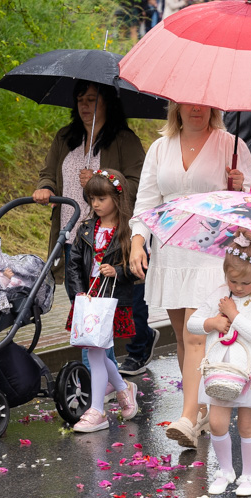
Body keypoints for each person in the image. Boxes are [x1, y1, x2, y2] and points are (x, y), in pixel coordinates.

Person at [130, 102, 251, 449]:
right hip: (170, 252)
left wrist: (239, 188)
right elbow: (146, 203)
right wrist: (138, 242)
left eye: (204, 104)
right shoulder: (160, 147)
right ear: (177, 106)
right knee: (184, 339)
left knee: (196, 334)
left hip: (209, 252)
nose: (196, 109)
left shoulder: (232, 145)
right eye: (189, 103)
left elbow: (249, 209)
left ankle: (186, 416)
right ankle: (197, 410)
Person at [30, 81, 158, 376]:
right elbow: (48, 172)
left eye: (92, 99)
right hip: (72, 231)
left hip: (113, 233)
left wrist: (102, 178)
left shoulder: (124, 140)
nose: (85, 105)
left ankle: (140, 344)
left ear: (108, 103)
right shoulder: (66, 136)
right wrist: (45, 187)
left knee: (122, 297)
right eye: (80, 100)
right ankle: (99, 369)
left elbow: (141, 184)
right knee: (85, 301)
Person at [186, 231, 251, 495]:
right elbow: (193, 323)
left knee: (247, 425)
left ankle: (248, 475)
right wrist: (212, 322)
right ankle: (225, 469)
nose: (238, 287)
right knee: (217, 423)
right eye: (233, 280)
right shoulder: (219, 294)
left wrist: (233, 313)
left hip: (250, 371)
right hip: (221, 370)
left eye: (245, 282)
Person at [65, 169, 139, 432]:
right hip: (90, 298)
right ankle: (121, 388)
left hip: (113, 299)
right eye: (91, 199)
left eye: (101, 199)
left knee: (94, 351)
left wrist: (117, 271)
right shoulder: (86, 228)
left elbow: (140, 267)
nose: (95, 204)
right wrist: (78, 292)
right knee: (93, 349)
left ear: (117, 198)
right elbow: (73, 263)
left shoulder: (130, 230)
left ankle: (97, 411)